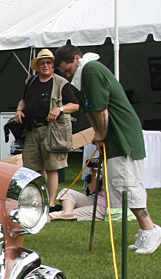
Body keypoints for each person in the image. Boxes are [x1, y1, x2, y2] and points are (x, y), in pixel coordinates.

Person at [54, 44, 160, 254]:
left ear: (77, 59)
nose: (68, 74)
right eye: (64, 72)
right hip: (113, 139)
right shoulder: (83, 77)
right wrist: (98, 134)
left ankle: (150, 230)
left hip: (123, 138)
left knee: (128, 186)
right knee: (121, 188)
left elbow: (101, 108)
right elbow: (90, 110)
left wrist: (102, 134)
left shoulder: (92, 71)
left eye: (68, 69)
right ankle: (146, 230)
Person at [14, 48, 79, 204]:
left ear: (53, 65)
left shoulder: (62, 83)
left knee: (52, 167)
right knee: (32, 166)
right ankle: (39, 198)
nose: (45, 66)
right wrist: (19, 110)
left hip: (51, 130)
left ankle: (50, 201)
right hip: (31, 130)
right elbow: (23, 100)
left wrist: (60, 109)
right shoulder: (31, 82)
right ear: (37, 66)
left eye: (48, 63)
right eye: (42, 63)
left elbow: (75, 105)